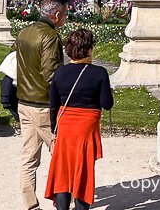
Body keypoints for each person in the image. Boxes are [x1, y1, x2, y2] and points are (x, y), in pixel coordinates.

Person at [45, 28, 114, 210]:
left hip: (66, 126)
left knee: (62, 170)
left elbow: (53, 105)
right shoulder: (99, 73)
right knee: (83, 170)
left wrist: (55, 129)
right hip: (86, 127)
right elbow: (107, 104)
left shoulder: (60, 73)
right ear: (89, 49)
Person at [14, 0, 68, 210]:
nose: (66, 18)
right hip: (44, 106)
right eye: (65, 13)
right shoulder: (50, 36)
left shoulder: (24, 32)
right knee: (61, 155)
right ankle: (63, 200)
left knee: (29, 157)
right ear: (56, 15)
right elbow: (51, 74)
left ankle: (30, 204)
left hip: (24, 102)